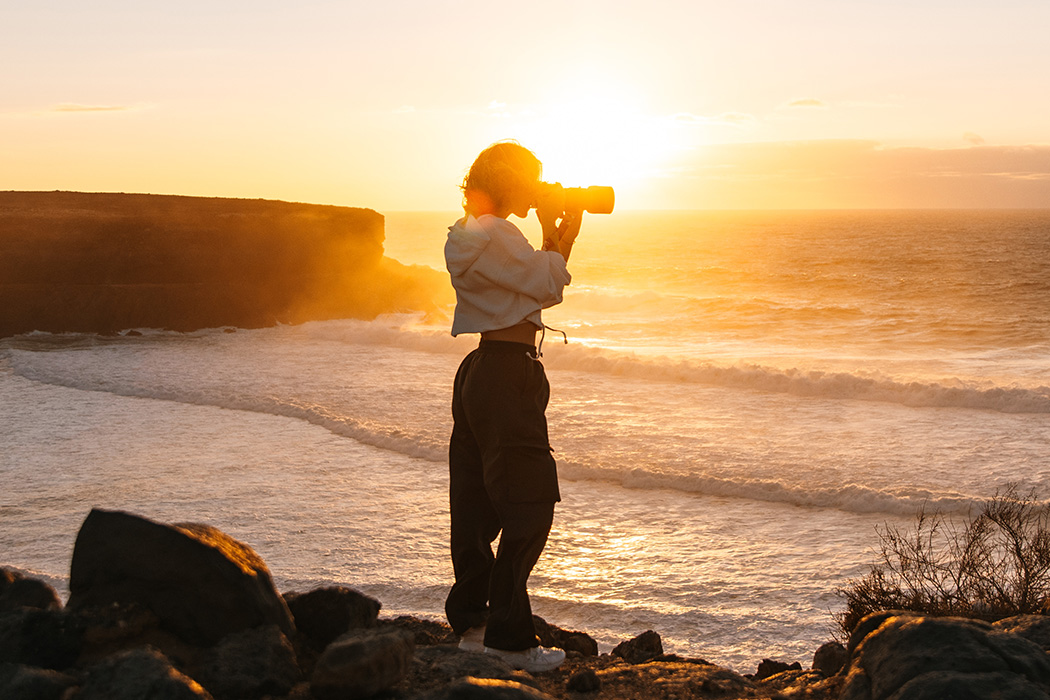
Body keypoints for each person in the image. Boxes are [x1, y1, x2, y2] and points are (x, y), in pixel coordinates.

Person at [443, 141, 582, 673]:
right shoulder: (500, 233)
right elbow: (548, 285)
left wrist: (548, 243)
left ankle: (474, 622)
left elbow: (530, 286)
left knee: (475, 506)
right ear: (509, 182)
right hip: (508, 371)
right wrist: (561, 239)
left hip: (480, 370)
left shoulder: (467, 234)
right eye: (534, 179)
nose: (539, 188)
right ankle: (508, 640)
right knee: (529, 503)